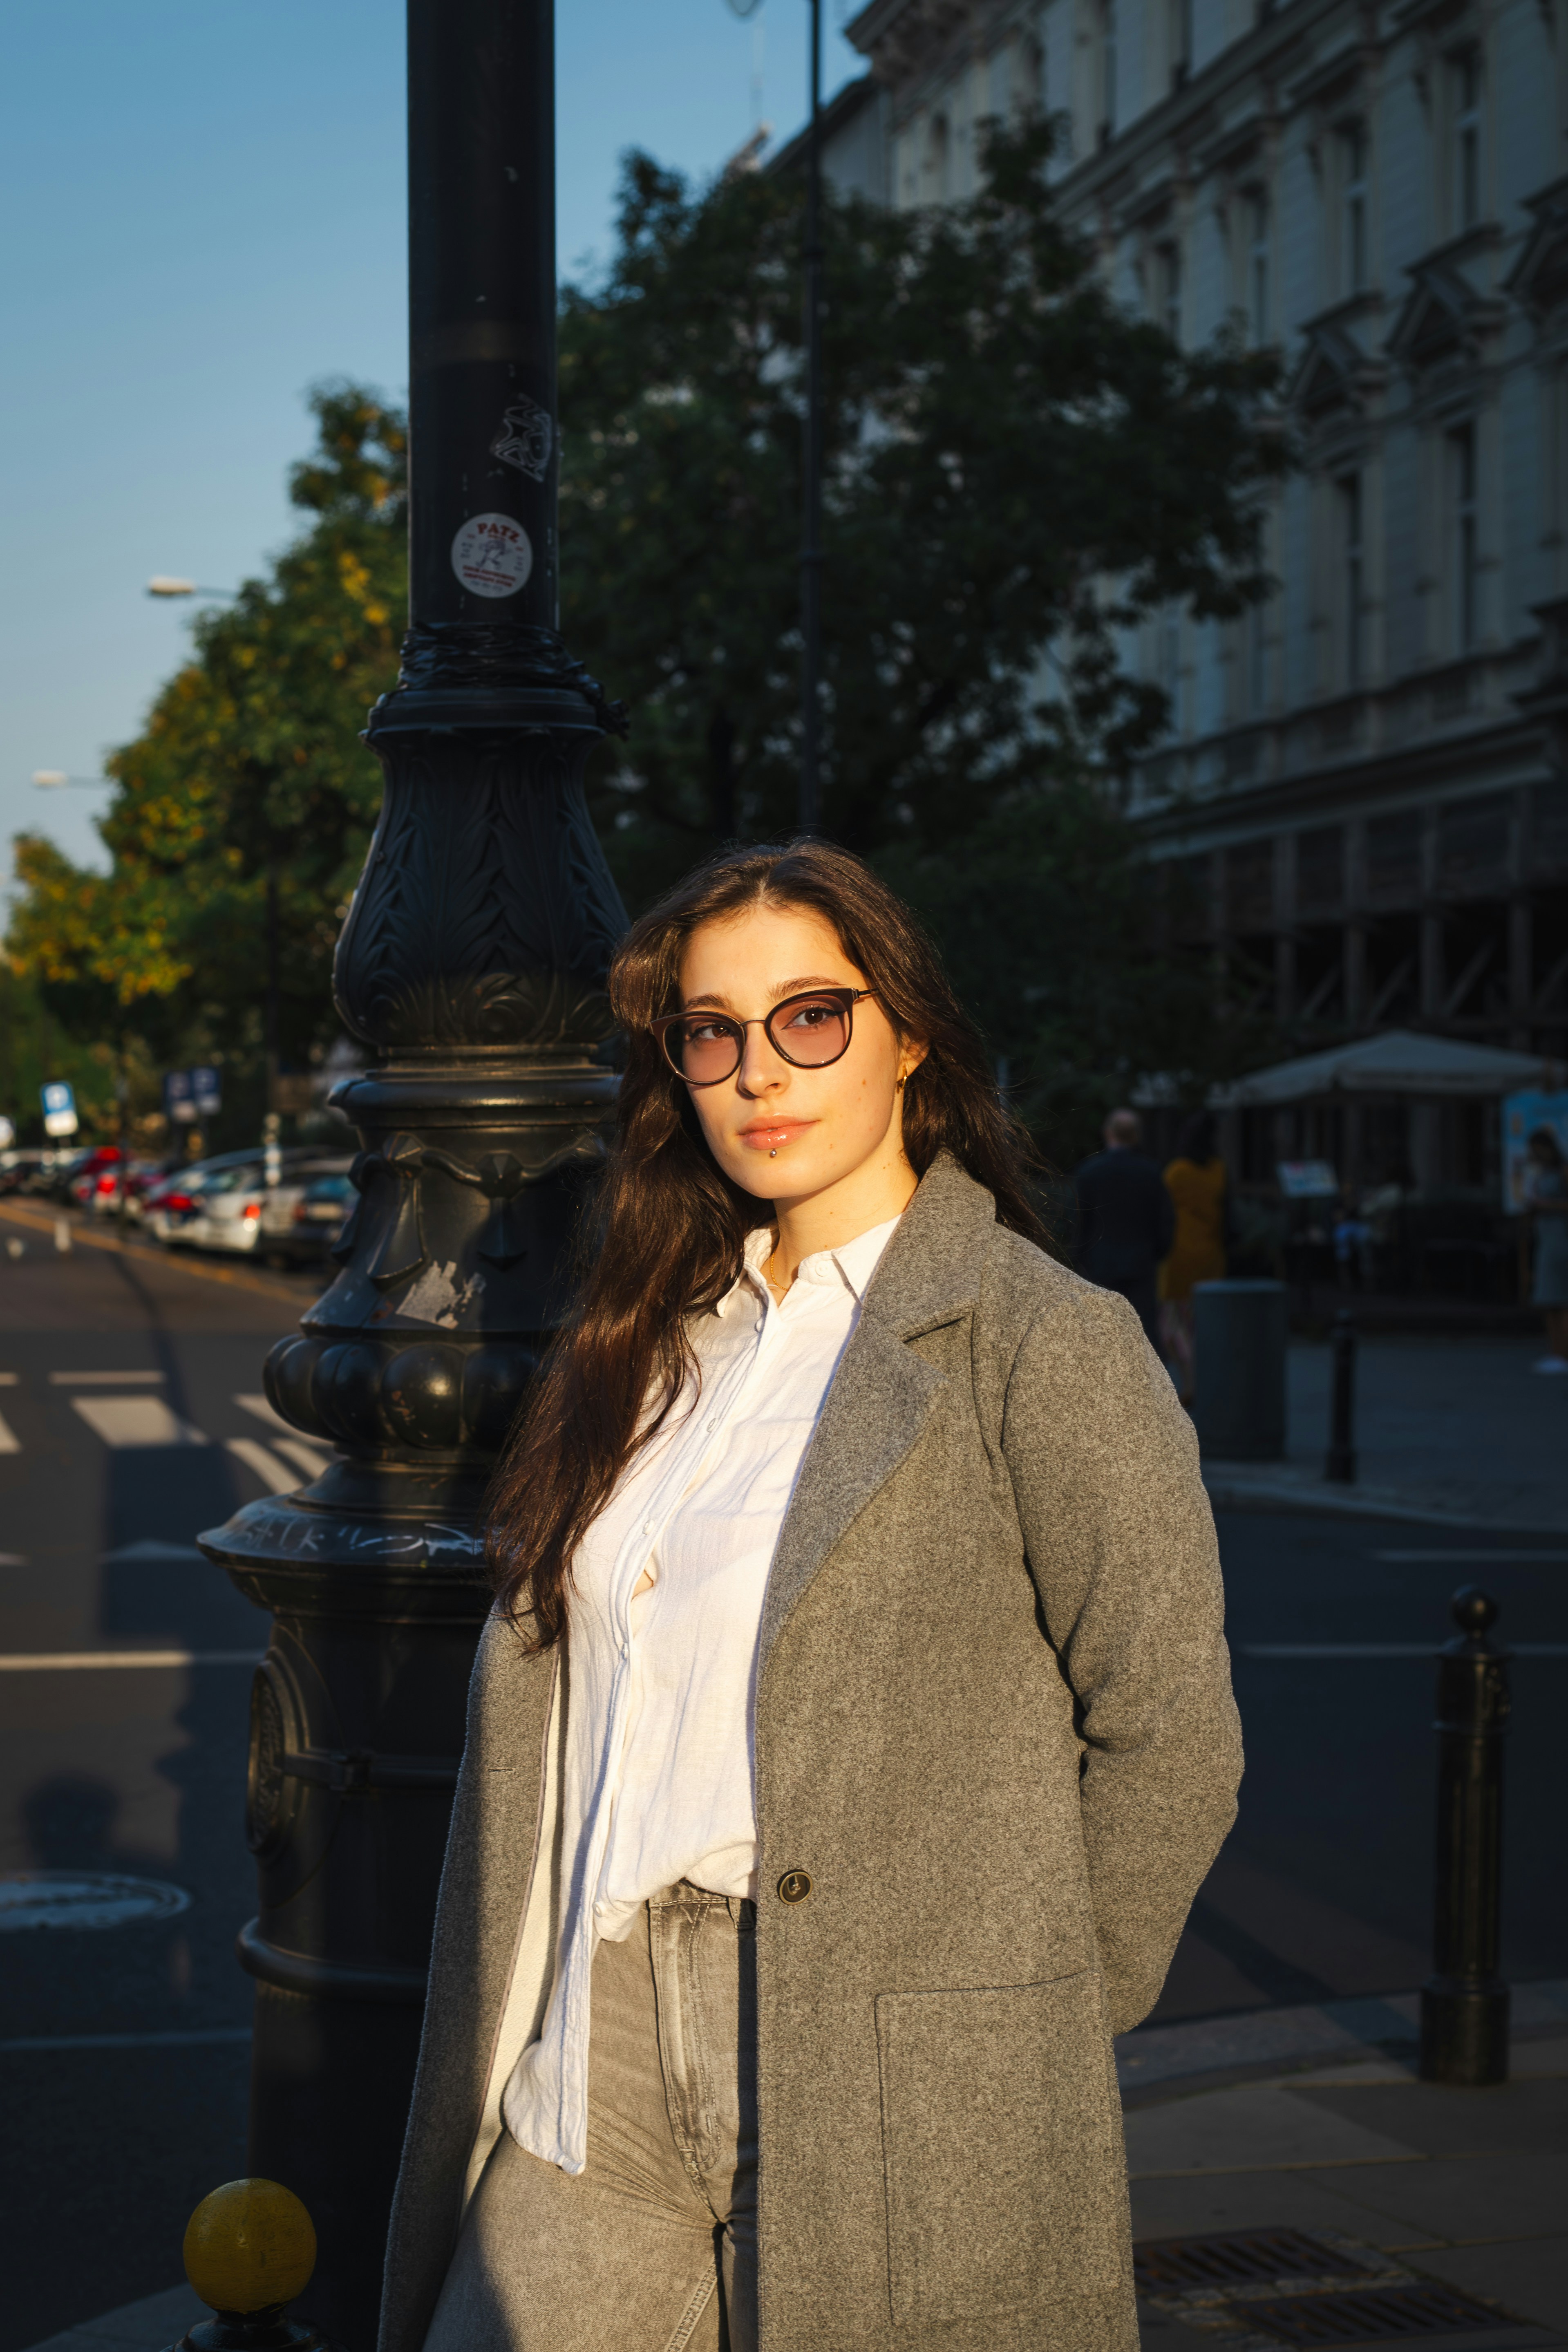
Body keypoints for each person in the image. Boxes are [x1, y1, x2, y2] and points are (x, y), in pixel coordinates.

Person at [380, 842, 1241, 2352]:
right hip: (604, 2040)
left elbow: (1169, 1732)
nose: (757, 1072)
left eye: (809, 1016)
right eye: (709, 1032)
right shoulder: (647, 1343)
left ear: (907, 1033)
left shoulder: (1042, 1344)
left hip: (890, 2059)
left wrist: (1010, 2022)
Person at [1074, 1106, 1177, 1355]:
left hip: (1101, 1262)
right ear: (1137, 1136)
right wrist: (1157, 1252)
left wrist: (1080, 1260)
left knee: (1103, 1332)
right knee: (1144, 1332)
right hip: (1142, 1260)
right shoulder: (1152, 1173)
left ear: (1109, 1133)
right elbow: (1165, 1221)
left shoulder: (1089, 1173)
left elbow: (1079, 1223)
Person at [1158, 1111, 1228, 1403]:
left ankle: (1189, 1381)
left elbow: (1162, 1211)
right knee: (1203, 1323)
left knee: (1171, 1323)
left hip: (1178, 1254)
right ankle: (1202, 1379)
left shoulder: (1177, 1172)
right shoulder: (1218, 1171)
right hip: (1211, 1254)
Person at [1523, 1126, 1568, 1372]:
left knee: (1562, 1298)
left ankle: (1564, 1354)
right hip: (1546, 1238)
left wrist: (1548, 1205)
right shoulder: (1542, 1172)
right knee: (1549, 1298)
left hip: (1561, 1240)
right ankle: (1556, 1352)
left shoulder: (1563, 1171)